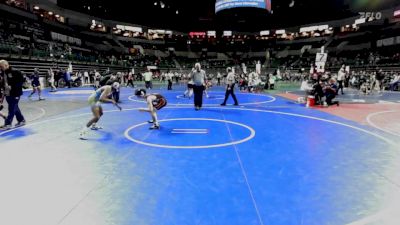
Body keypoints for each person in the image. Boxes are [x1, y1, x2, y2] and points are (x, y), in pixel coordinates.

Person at [0, 60, 26, 130]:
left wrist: (12, 86)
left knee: (11, 108)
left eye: (1, 66)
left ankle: (8, 124)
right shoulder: (3, 72)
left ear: (6, 65)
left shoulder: (15, 71)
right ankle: (21, 120)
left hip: (15, 93)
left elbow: (22, 81)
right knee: (15, 107)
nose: (1, 68)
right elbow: (3, 82)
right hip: (8, 93)